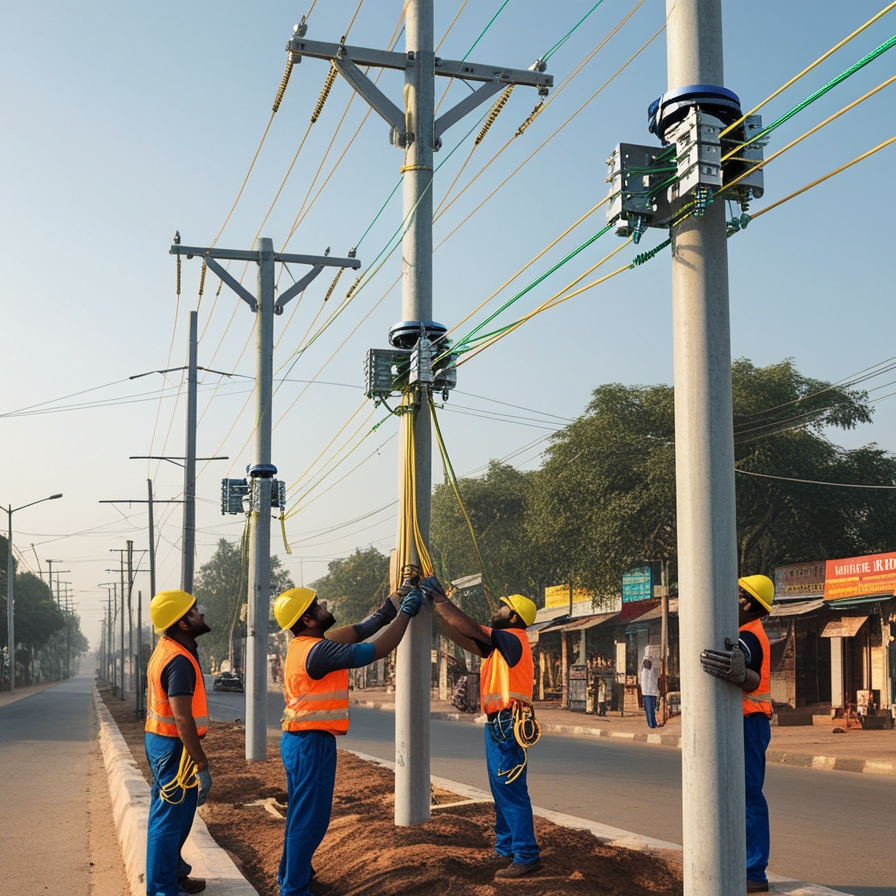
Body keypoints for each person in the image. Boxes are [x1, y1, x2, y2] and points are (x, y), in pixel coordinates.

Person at [274, 583, 422, 896]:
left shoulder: (305, 645)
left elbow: (356, 631)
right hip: (310, 744)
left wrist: (386, 611)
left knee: (301, 817)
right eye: (317, 606)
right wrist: (406, 614)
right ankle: (294, 889)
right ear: (308, 620)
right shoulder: (319, 651)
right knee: (310, 821)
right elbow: (376, 650)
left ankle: (292, 877)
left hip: (301, 742)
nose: (323, 607)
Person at [420, 576, 542, 880]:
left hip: (508, 722)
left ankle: (526, 855)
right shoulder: (500, 646)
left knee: (510, 790)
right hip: (499, 723)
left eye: (502, 608)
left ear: (514, 617)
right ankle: (506, 847)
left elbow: (472, 629)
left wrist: (442, 600)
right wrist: (438, 612)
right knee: (500, 789)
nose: (496, 610)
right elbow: (465, 636)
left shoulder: (512, 638)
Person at [700, 574, 775, 894]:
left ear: (747, 603)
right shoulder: (744, 633)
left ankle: (754, 872)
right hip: (743, 723)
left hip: (750, 723)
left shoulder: (750, 636)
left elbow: (752, 677)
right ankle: (741, 865)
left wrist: (740, 673)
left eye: (737, 594)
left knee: (748, 797)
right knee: (737, 795)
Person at [145, 590, 214, 896]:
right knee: (169, 820)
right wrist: (201, 763)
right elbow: (183, 718)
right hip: (173, 746)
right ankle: (162, 889)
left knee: (178, 818)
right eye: (194, 611)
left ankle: (173, 875)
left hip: (166, 743)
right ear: (183, 624)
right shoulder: (178, 660)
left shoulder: (172, 650)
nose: (201, 614)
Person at [640, 650, 660, 728]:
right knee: (649, 709)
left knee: (653, 708)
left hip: (653, 691)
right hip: (647, 692)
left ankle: (653, 722)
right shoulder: (643, 671)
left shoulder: (653, 670)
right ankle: (651, 724)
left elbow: (657, 668)